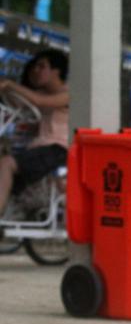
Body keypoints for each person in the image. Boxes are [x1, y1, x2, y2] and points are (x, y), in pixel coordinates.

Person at [0, 49, 68, 217]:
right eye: (35, 67)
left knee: (7, 163)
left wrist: (10, 84)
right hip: (41, 147)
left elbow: (39, 101)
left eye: (41, 66)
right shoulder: (42, 93)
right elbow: (18, 103)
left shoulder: (68, 93)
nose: (36, 71)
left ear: (56, 70)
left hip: (58, 149)